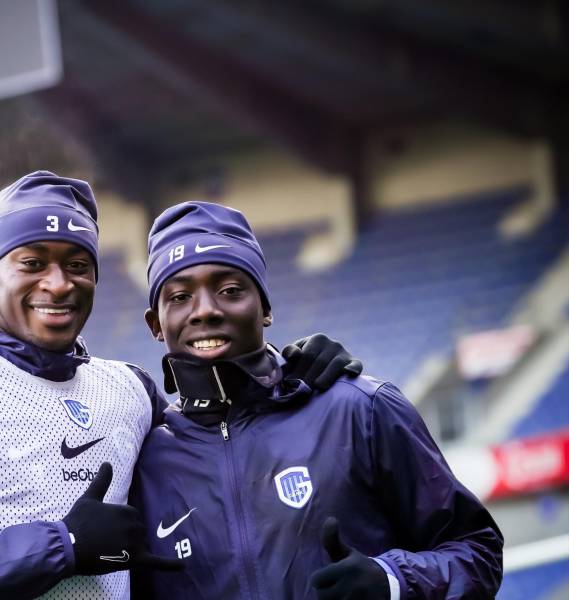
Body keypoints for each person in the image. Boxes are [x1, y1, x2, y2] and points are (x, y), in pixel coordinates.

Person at [0, 172, 360, 599]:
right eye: (32, 262)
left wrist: (287, 370)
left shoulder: (129, 390)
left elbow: (223, 429)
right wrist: (62, 545)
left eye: (77, 265)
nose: (58, 283)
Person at [130, 201, 504, 599]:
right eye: (180, 296)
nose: (205, 311)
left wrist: (391, 581)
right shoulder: (143, 460)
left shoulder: (360, 408)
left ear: (265, 307)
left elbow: (478, 552)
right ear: (156, 323)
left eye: (230, 290)